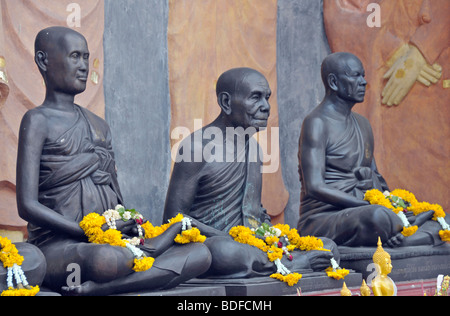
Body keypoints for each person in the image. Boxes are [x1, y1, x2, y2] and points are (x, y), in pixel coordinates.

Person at [16, 26, 211, 296]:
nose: (84, 65)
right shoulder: (37, 121)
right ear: (43, 61)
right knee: (106, 260)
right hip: (61, 244)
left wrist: (129, 224)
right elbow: (27, 205)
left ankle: (98, 289)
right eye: (75, 56)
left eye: (86, 57)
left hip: (112, 239)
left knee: (199, 253)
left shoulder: (99, 126)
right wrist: (85, 231)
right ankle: (119, 276)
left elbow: (115, 199)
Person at [164, 67, 337, 278]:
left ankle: (277, 262)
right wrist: (225, 237)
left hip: (253, 244)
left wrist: (271, 236)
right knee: (224, 252)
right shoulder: (196, 148)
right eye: (255, 98)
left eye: (267, 98)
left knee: (327, 247)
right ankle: (284, 264)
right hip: (216, 245)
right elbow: (174, 220)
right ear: (226, 103)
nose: (265, 107)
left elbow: (252, 210)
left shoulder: (254, 148)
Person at [297, 52, 447, 248]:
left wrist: (397, 206)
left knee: (442, 218)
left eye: (364, 75)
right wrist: (368, 206)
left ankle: (407, 237)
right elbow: (314, 186)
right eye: (355, 76)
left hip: (369, 207)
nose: (364, 82)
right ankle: (411, 236)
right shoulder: (316, 123)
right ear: (333, 82)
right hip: (325, 217)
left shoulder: (363, 124)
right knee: (376, 217)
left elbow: (379, 183)